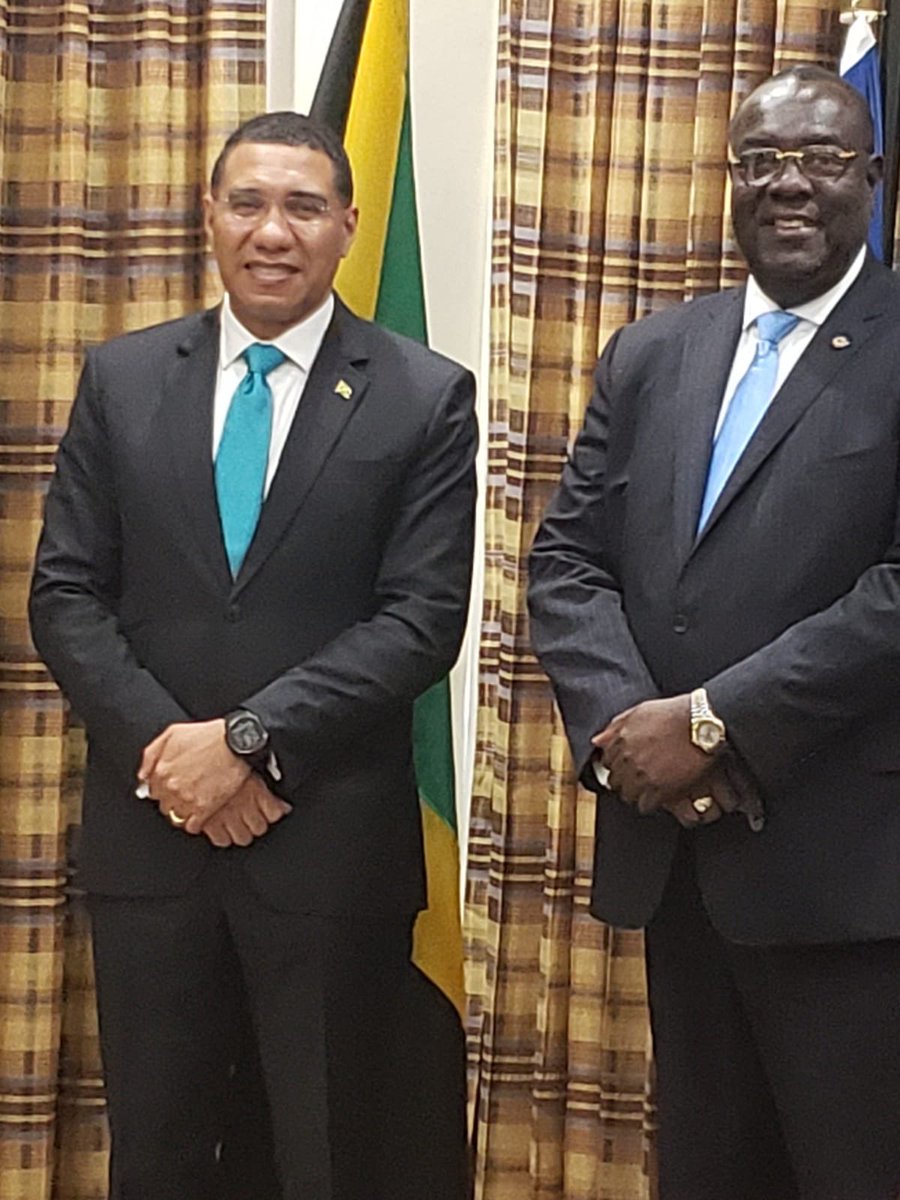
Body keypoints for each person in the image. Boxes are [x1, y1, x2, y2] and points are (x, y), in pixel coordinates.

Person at [29, 111, 477, 1200]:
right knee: (160, 1156)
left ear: (348, 226)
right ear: (209, 216)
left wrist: (247, 744)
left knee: (329, 1157)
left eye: (304, 208)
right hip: (153, 846)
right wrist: (173, 758)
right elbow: (66, 595)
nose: (273, 232)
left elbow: (420, 620)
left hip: (327, 852)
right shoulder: (124, 378)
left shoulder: (424, 395)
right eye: (249, 203)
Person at [528, 66, 900, 1200]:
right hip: (680, 862)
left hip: (849, 878)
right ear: (730, 179)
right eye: (761, 160)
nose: (789, 184)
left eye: (822, 158)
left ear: (874, 178)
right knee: (706, 1171)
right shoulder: (653, 354)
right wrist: (632, 733)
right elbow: (566, 561)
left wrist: (712, 723)